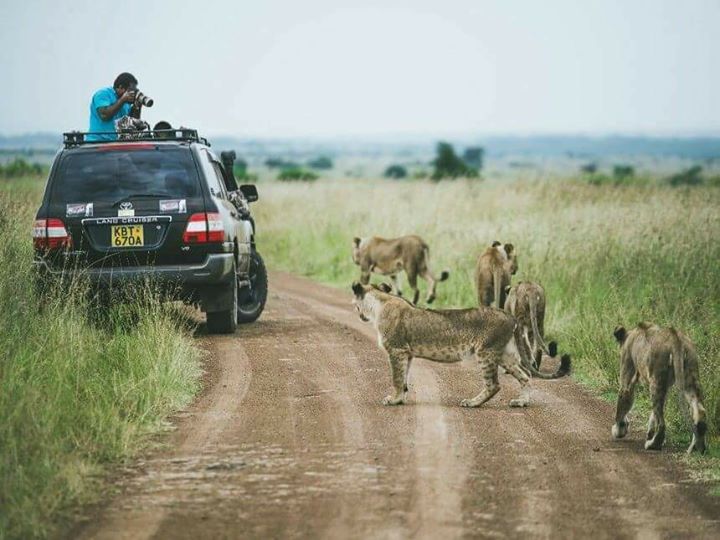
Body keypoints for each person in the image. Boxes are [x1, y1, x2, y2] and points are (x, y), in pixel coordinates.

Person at [87, 72, 143, 141]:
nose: (132, 94)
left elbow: (131, 124)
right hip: (97, 142)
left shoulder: (126, 104)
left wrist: (137, 106)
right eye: (130, 91)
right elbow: (104, 115)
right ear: (120, 87)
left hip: (116, 144)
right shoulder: (103, 94)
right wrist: (122, 100)